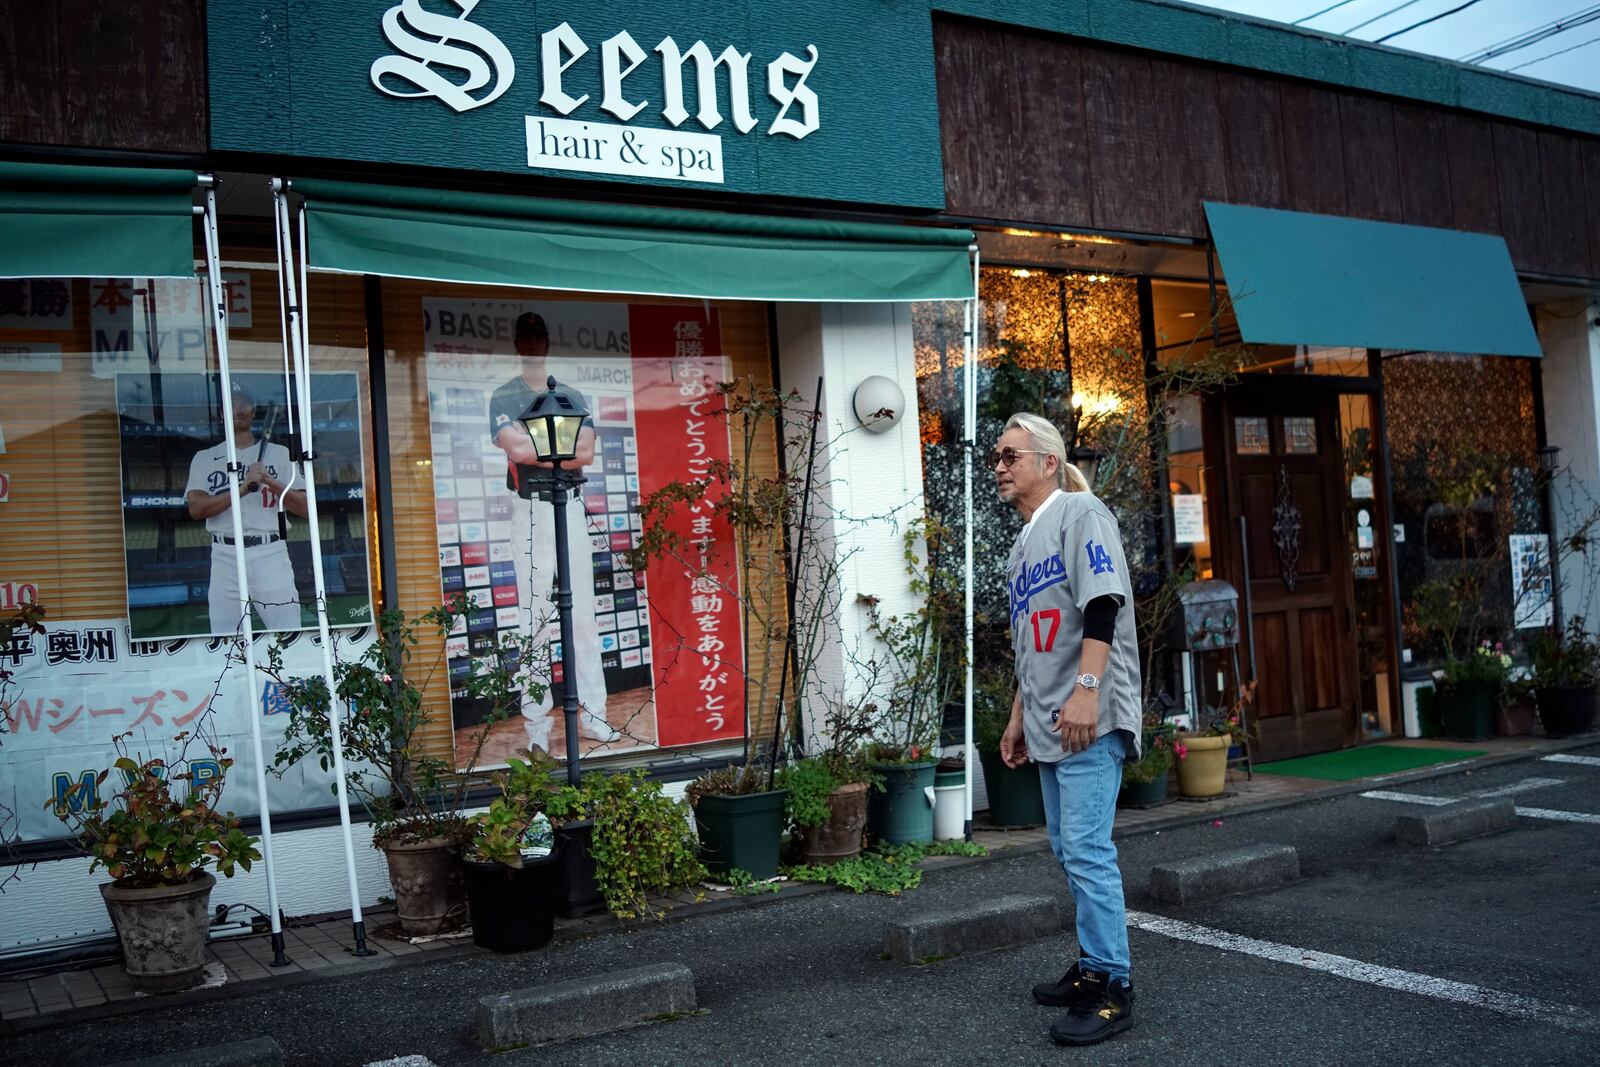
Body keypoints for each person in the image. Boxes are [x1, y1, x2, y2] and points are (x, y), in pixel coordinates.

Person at [994, 411, 1141, 1047]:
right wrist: (1019, 715)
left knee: (1086, 850)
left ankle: (1112, 986)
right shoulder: (1024, 542)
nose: (999, 467)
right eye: (997, 457)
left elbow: (1103, 603)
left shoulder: (1082, 514)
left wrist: (1087, 693)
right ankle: (1090, 967)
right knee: (1067, 848)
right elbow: (1033, 639)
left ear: (1049, 462)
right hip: (1050, 717)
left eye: (1010, 456)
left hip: (1088, 715)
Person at [489, 311, 620, 751]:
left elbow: (586, 453)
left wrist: (541, 449)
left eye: (537, 337)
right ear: (517, 344)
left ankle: (595, 717)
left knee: (583, 616)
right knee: (534, 622)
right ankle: (537, 730)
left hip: (570, 506)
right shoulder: (504, 394)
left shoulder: (570, 393)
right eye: (524, 337)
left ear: (545, 342)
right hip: (529, 509)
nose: (531, 344)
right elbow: (516, 448)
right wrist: (559, 449)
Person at [185, 385, 306, 634]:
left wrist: (270, 482)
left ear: (253, 414)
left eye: (243, 405)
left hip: (270, 551)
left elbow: (306, 509)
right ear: (221, 413)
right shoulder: (205, 457)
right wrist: (241, 488)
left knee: (288, 632)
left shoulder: (279, 454)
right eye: (231, 405)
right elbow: (196, 509)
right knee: (226, 637)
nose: (237, 409)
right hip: (224, 554)